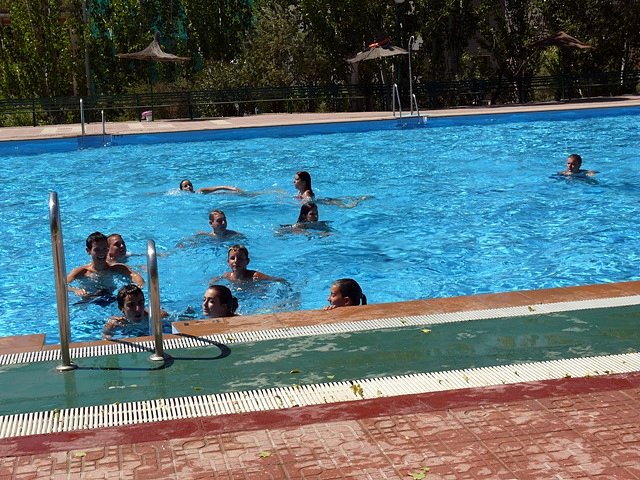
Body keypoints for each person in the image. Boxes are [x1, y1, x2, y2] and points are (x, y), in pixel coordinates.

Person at [67, 231, 144, 298]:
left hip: (111, 297)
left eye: (104, 249)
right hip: (89, 299)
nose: (102, 253)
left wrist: (139, 285)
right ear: (88, 251)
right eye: (97, 250)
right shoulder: (82, 271)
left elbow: (134, 275)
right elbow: (63, 285)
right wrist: (75, 290)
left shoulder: (116, 268)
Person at [102, 284, 166, 339]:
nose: (138, 309)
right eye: (131, 305)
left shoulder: (157, 316)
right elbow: (105, 342)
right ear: (121, 308)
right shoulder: (115, 324)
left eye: (140, 303)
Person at [217, 244, 285, 283]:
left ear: (247, 261)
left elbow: (278, 280)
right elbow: (214, 280)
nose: (236, 261)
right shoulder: (227, 276)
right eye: (232, 258)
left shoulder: (255, 276)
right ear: (228, 262)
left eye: (240, 258)